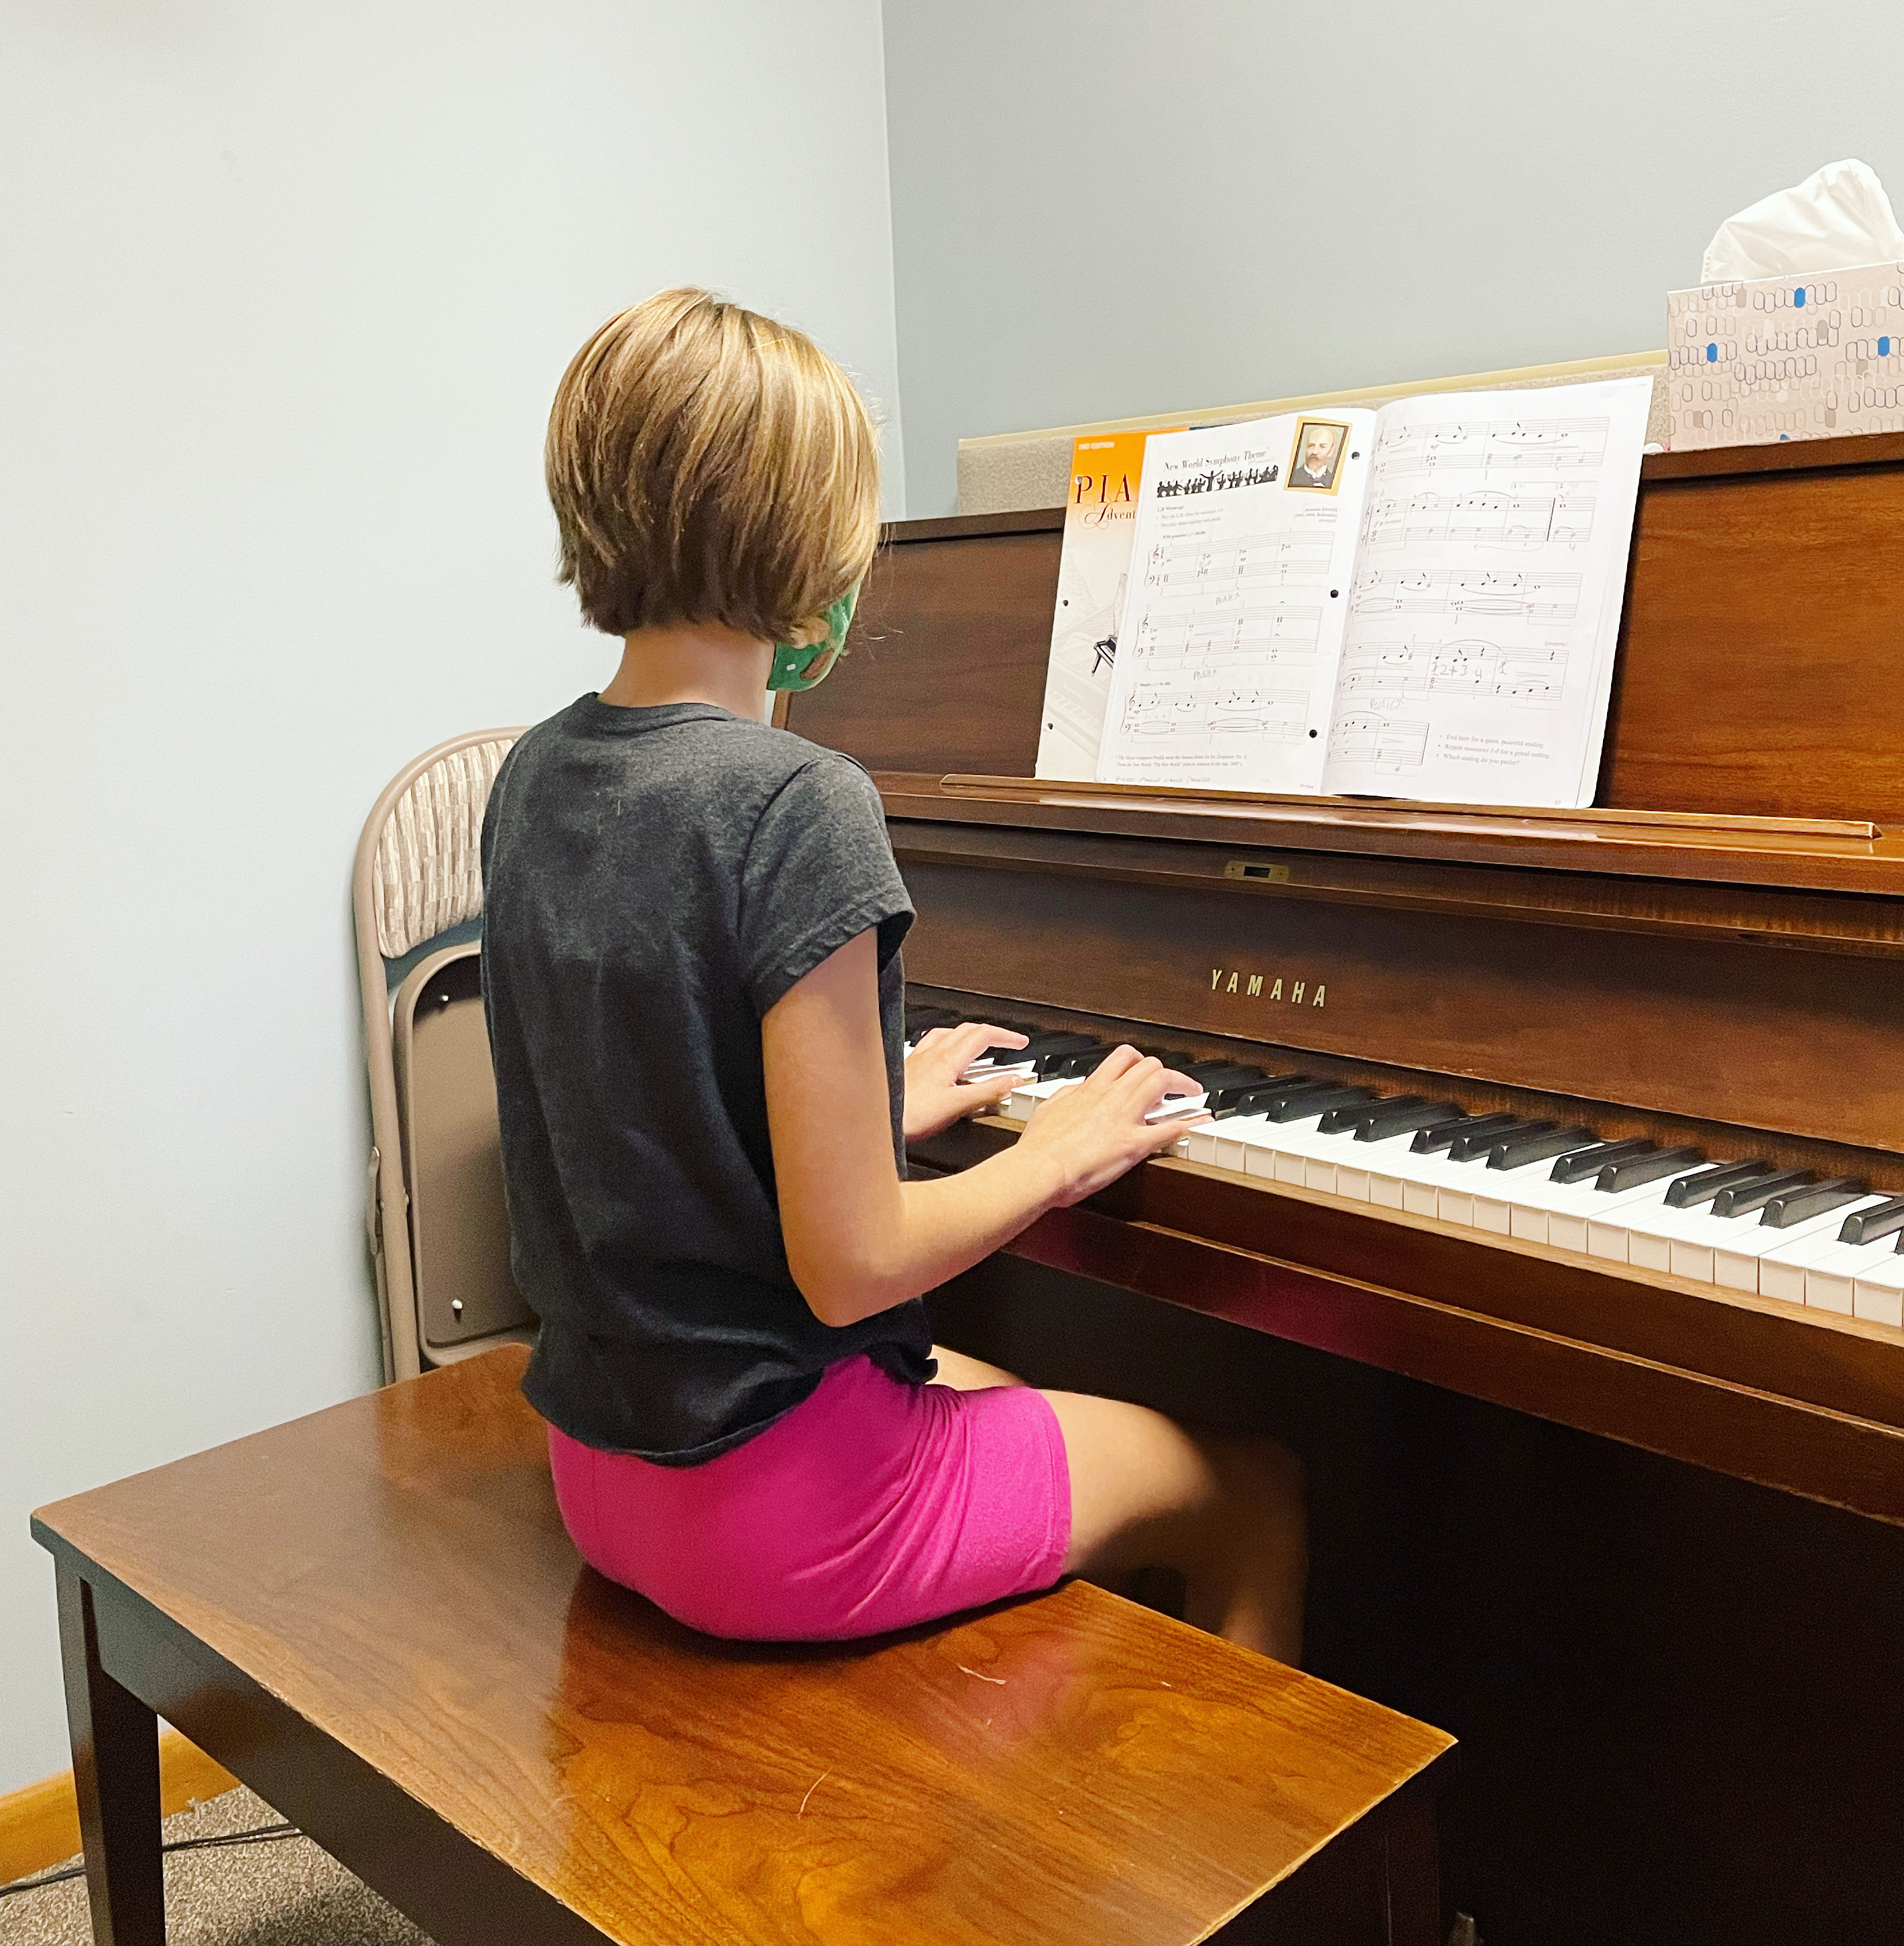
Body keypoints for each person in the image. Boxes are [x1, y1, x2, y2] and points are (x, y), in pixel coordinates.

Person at [481, 287, 1307, 1660]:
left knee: (1009, 1386)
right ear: (809, 542)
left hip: (607, 1472)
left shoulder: (535, 773)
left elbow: (634, 1094)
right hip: (781, 1511)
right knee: (1254, 1484)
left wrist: (864, 1110)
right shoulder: (796, 800)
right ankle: (1268, 1878)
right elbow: (855, 1267)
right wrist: (1060, 1149)